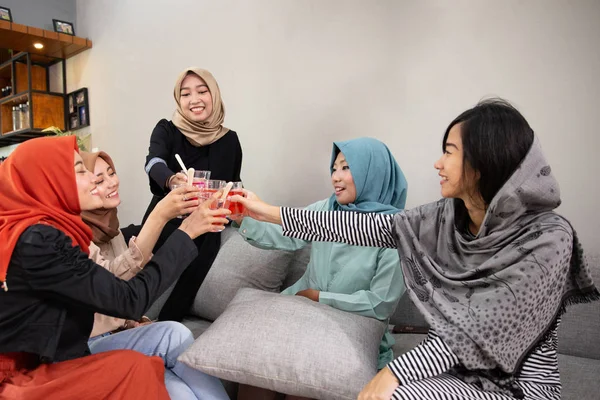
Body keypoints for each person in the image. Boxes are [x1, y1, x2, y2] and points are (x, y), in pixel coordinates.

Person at [232, 99, 598, 400]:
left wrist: (393, 373)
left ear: (484, 160)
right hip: (456, 373)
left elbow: (478, 326)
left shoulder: (549, 238)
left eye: (450, 152)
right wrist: (262, 210)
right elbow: (366, 227)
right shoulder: (444, 217)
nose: (438, 163)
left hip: (515, 388)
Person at [0, 136, 229, 399]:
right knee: (137, 370)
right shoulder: (38, 240)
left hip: (60, 355)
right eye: (81, 170)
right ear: (49, 182)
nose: (93, 181)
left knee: (169, 340)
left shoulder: (52, 232)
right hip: (27, 374)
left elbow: (110, 293)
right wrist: (186, 230)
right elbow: (127, 298)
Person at [236, 138, 408, 400]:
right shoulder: (326, 210)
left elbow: (380, 303)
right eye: (334, 168)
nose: (336, 178)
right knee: (251, 370)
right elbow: (283, 233)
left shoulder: (394, 232)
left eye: (346, 168)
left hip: (349, 333)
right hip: (298, 314)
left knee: (304, 384)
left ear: (372, 173)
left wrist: (319, 297)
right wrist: (242, 218)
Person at [81, 150, 230, 400]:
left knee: (180, 391)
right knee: (175, 333)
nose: (112, 182)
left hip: (116, 335)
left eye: (112, 173)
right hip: (86, 345)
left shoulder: (113, 230)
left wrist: (133, 322)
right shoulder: (70, 238)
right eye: (98, 180)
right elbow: (110, 289)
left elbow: (120, 300)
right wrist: (161, 214)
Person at [142, 67, 243, 322]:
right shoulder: (166, 129)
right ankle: (131, 321)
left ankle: (165, 328)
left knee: (205, 246)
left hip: (208, 225)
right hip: (167, 218)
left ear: (214, 95)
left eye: (202, 91)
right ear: (179, 99)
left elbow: (232, 185)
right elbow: (152, 162)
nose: (194, 100)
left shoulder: (230, 140)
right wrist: (172, 178)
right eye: (185, 94)